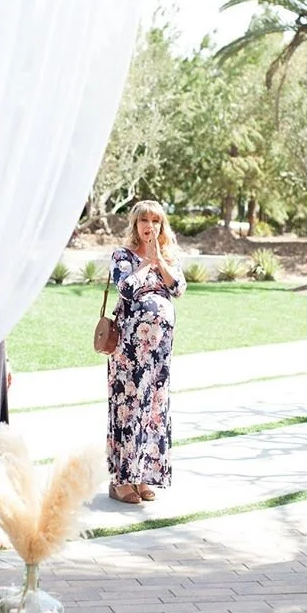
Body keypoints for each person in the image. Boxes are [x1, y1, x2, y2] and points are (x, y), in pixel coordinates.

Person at [107, 200, 187, 504]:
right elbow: (126, 288)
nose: (149, 226)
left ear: (162, 226)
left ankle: (144, 477)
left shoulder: (167, 256)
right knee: (129, 407)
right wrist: (145, 263)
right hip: (129, 349)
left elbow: (178, 288)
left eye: (155, 220)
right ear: (135, 224)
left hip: (160, 352)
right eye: (144, 220)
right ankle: (121, 480)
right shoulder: (123, 256)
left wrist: (158, 261)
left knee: (154, 408)